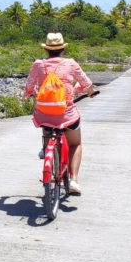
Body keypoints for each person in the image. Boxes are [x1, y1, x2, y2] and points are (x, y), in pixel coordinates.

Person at [23, 32, 97, 196]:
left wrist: (30, 94)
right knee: (75, 143)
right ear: (62, 48)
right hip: (66, 113)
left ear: (47, 49)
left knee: (45, 118)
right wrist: (90, 92)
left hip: (44, 114)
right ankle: (74, 180)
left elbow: (28, 87)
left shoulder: (38, 64)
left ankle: (46, 147)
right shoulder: (70, 63)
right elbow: (86, 83)